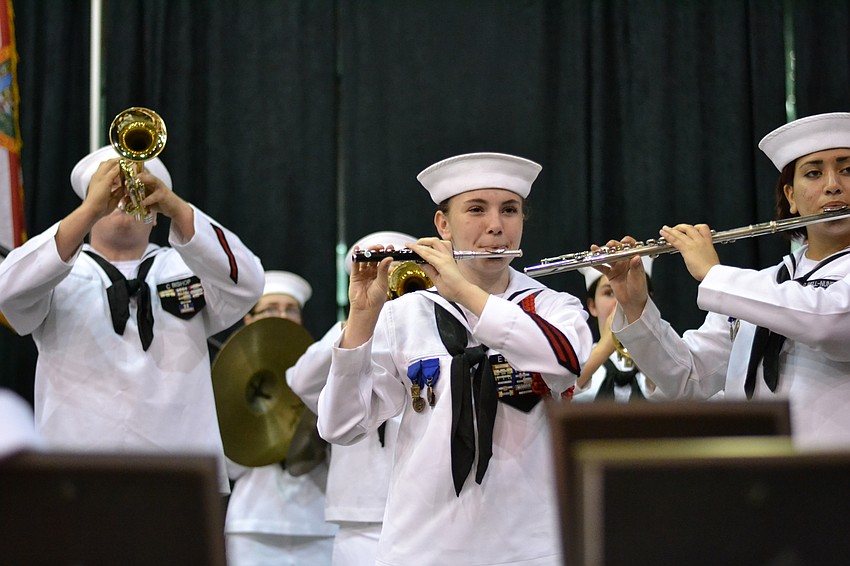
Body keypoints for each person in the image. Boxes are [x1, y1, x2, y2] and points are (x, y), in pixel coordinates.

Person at [317, 152, 593, 565]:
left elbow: (567, 359)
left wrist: (464, 292)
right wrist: (359, 320)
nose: (496, 225)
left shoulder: (554, 306)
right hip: (421, 548)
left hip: (528, 546)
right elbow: (340, 425)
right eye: (476, 210)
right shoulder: (403, 314)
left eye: (510, 210)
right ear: (442, 225)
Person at [0, 145, 264, 492]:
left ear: (153, 213)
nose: (124, 197)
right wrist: (89, 211)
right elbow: (8, 291)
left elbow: (249, 280)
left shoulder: (189, 266)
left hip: (182, 477)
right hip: (74, 479)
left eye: (136, 189)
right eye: (111, 190)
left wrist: (175, 207)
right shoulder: (57, 270)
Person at [602, 111, 850, 447]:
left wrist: (712, 274)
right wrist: (636, 306)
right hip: (760, 479)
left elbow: (829, 324)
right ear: (791, 197)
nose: (833, 184)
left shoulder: (741, 291)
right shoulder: (764, 285)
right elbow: (688, 378)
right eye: (814, 173)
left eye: (847, 169)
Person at [287, 231, 413, 566]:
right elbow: (301, 380)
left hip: (423, 511)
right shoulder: (348, 336)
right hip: (360, 513)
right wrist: (359, 321)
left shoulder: (428, 331)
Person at [225, 270, 338, 566]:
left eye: (290, 310)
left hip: (318, 521)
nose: (282, 317)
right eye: (271, 309)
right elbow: (228, 467)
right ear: (249, 320)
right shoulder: (227, 377)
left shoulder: (324, 367)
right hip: (252, 522)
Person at [571, 258, 656, 402]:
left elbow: (679, 395)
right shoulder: (576, 357)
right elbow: (555, 396)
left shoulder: (667, 355)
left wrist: (637, 342)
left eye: (632, 293)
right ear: (592, 306)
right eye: (609, 293)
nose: (621, 301)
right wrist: (605, 346)